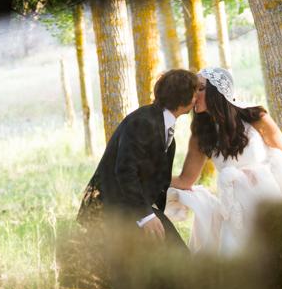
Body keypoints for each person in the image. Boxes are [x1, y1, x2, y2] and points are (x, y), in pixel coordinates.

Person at [167, 66, 282, 255]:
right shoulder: (201, 135)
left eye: (200, 88)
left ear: (218, 91)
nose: (193, 94)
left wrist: (258, 176)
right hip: (235, 211)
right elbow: (185, 180)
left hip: (267, 198)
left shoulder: (256, 117)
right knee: (236, 258)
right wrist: (151, 177)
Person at [77, 69, 199, 248]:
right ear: (183, 97)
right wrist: (146, 216)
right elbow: (125, 171)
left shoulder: (162, 125)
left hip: (132, 208)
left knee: (175, 258)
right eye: (195, 93)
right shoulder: (142, 122)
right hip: (111, 213)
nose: (197, 98)